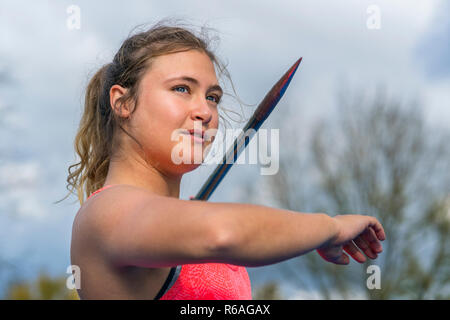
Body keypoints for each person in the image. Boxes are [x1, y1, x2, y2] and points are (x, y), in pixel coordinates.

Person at [66, 20, 386, 300]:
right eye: (181, 88)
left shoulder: (189, 216)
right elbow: (223, 234)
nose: (205, 112)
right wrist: (330, 227)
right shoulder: (106, 213)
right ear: (123, 102)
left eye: (212, 97)